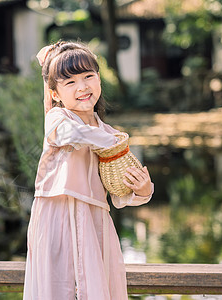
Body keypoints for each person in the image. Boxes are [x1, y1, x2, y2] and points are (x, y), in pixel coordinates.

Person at [23, 41, 153, 300]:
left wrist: (143, 189)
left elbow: (119, 193)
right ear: (55, 94)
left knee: (96, 288)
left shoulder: (109, 134)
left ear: (99, 80)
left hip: (94, 221)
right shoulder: (58, 120)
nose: (82, 87)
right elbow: (71, 135)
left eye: (88, 77)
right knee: (57, 288)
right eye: (69, 82)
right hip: (56, 218)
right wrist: (113, 141)